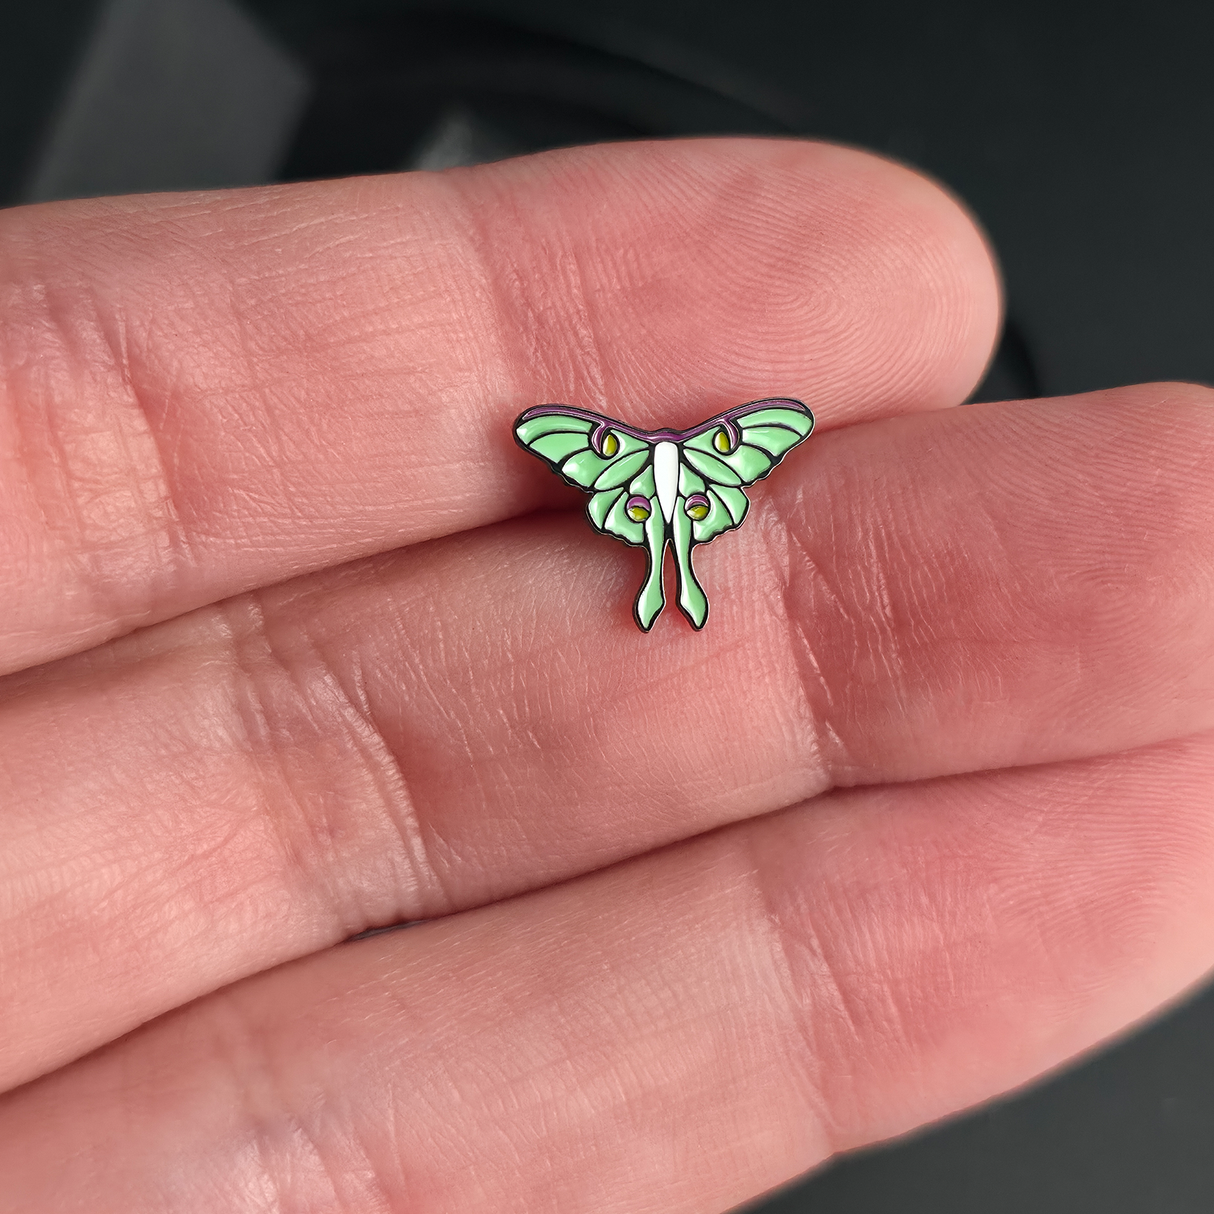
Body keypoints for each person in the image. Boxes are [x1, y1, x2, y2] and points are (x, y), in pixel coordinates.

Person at [0, 137, 1210, 1212]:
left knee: (673, 549)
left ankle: (664, 568)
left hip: (648, 480)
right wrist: (653, 463)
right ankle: (665, 569)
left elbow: (718, 430)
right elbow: (573, 435)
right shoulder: (638, 452)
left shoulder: (672, 452)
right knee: (672, 552)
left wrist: (647, 465)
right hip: (646, 481)